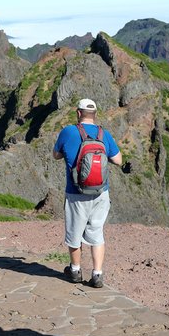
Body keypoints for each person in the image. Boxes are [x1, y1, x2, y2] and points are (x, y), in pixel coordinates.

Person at [52, 98, 124, 288]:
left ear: (78, 113)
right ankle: (97, 274)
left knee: (75, 232)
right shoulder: (104, 134)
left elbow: (56, 155)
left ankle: (75, 270)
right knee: (96, 232)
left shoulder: (68, 132)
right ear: (95, 115)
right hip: (101, 192)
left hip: (76, 192)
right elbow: (118, 160)